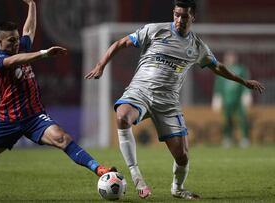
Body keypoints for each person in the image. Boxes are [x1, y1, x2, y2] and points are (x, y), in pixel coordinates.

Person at [85, 0, 265, 200]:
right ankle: (136, 175)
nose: (179, 19)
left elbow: (217, 67)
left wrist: (242, 81)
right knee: (122, 117)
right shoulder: (155, 30)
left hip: (168, 103)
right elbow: (121, 43)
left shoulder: (197, 47)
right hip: (140, 91)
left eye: (184, 16)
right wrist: (101, 65)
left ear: (192, 17)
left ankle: (177, 188)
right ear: (173, 13)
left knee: (182, 156)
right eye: (176, 15)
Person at [0, 0, 115, 200]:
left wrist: (32, 5)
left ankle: (99, 170)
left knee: (63, 138)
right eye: (11, 40)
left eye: (16, 39)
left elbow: (28, 29)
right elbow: (15, 61)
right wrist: (44, 53)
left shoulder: (21, 46)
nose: (16, 43)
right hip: (9, 121)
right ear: (0, 43)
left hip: (35, 116)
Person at [212, 51, 253, 148]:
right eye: (228, 57)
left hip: (238, 100)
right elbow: (219, 85)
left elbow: (246, 81)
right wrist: (217, 97)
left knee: (243, 118)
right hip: (227, 100)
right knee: (227, 120)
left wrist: (246, 94)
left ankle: (245, 138)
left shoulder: (241, 69)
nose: (230, 59)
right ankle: (227, 138)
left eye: (232, 57)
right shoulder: (221, 70)